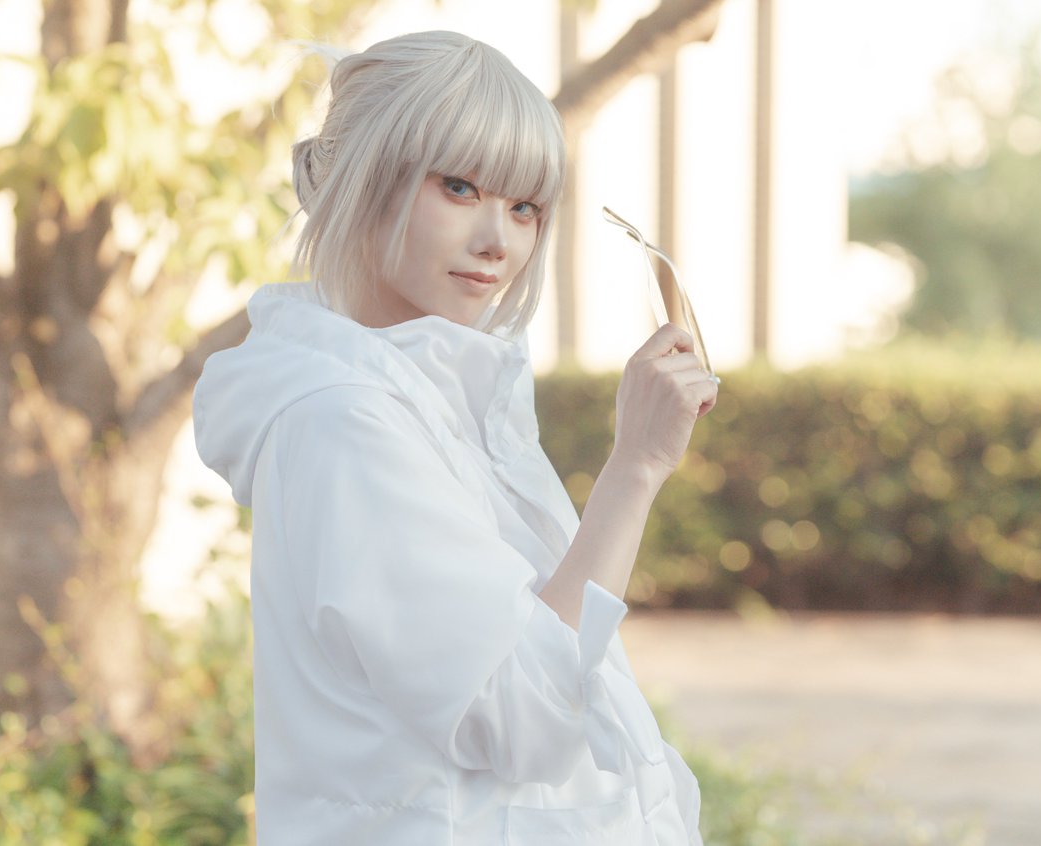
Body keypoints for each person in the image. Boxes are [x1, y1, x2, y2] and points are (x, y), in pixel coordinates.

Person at [194, 29, 719, 845]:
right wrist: (636, 467)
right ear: (365, 175)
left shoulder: (446, 403)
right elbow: (522, 717)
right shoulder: (344, 422)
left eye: (524, 207)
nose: (498, 240)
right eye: (461, 186)